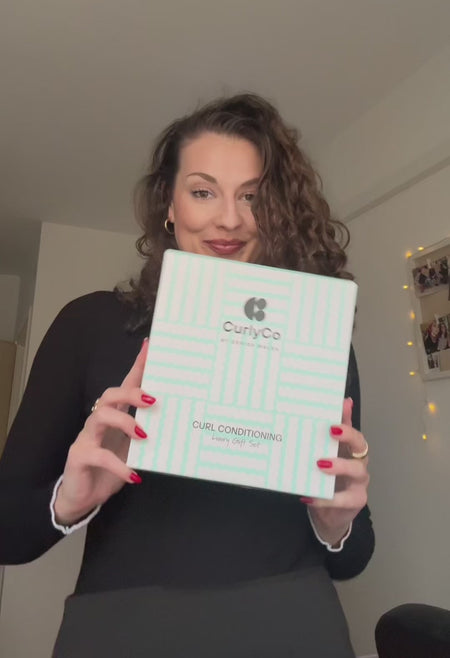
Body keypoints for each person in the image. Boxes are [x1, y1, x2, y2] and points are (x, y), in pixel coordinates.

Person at [0, 94, 374, 658]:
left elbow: (354, 556)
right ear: (169, 206)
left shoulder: (316, 341)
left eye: (253, 196)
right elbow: (8, 533)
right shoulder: (90, 324)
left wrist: (335, 522)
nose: (229, 218)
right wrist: (66, 501)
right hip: (123, 630)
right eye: (203, 192)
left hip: (292, 625)